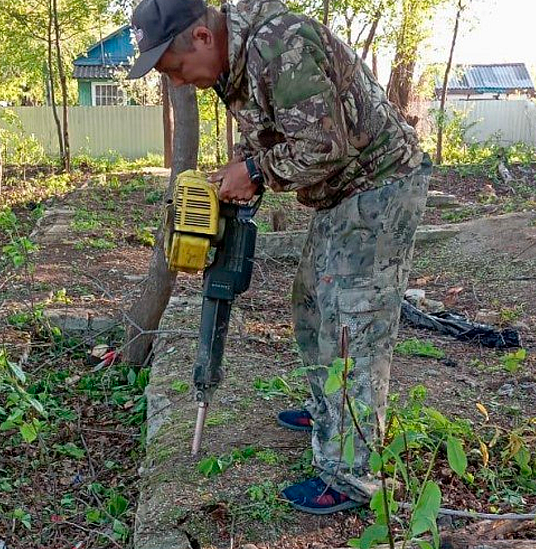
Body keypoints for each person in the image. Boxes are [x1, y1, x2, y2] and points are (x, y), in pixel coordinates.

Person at [128, 0, 431, 515]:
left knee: (353, 324)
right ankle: (328, 413)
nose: (177, 81)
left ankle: (351, 474)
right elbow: (272, 134)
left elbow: (323, 145)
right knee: (313, 303)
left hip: (380, 185)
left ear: (201, 37)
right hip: (339, 191)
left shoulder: (280, 44)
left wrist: (257, 172)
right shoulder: (234, 64)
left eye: (174, 68)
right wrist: (242, 170)